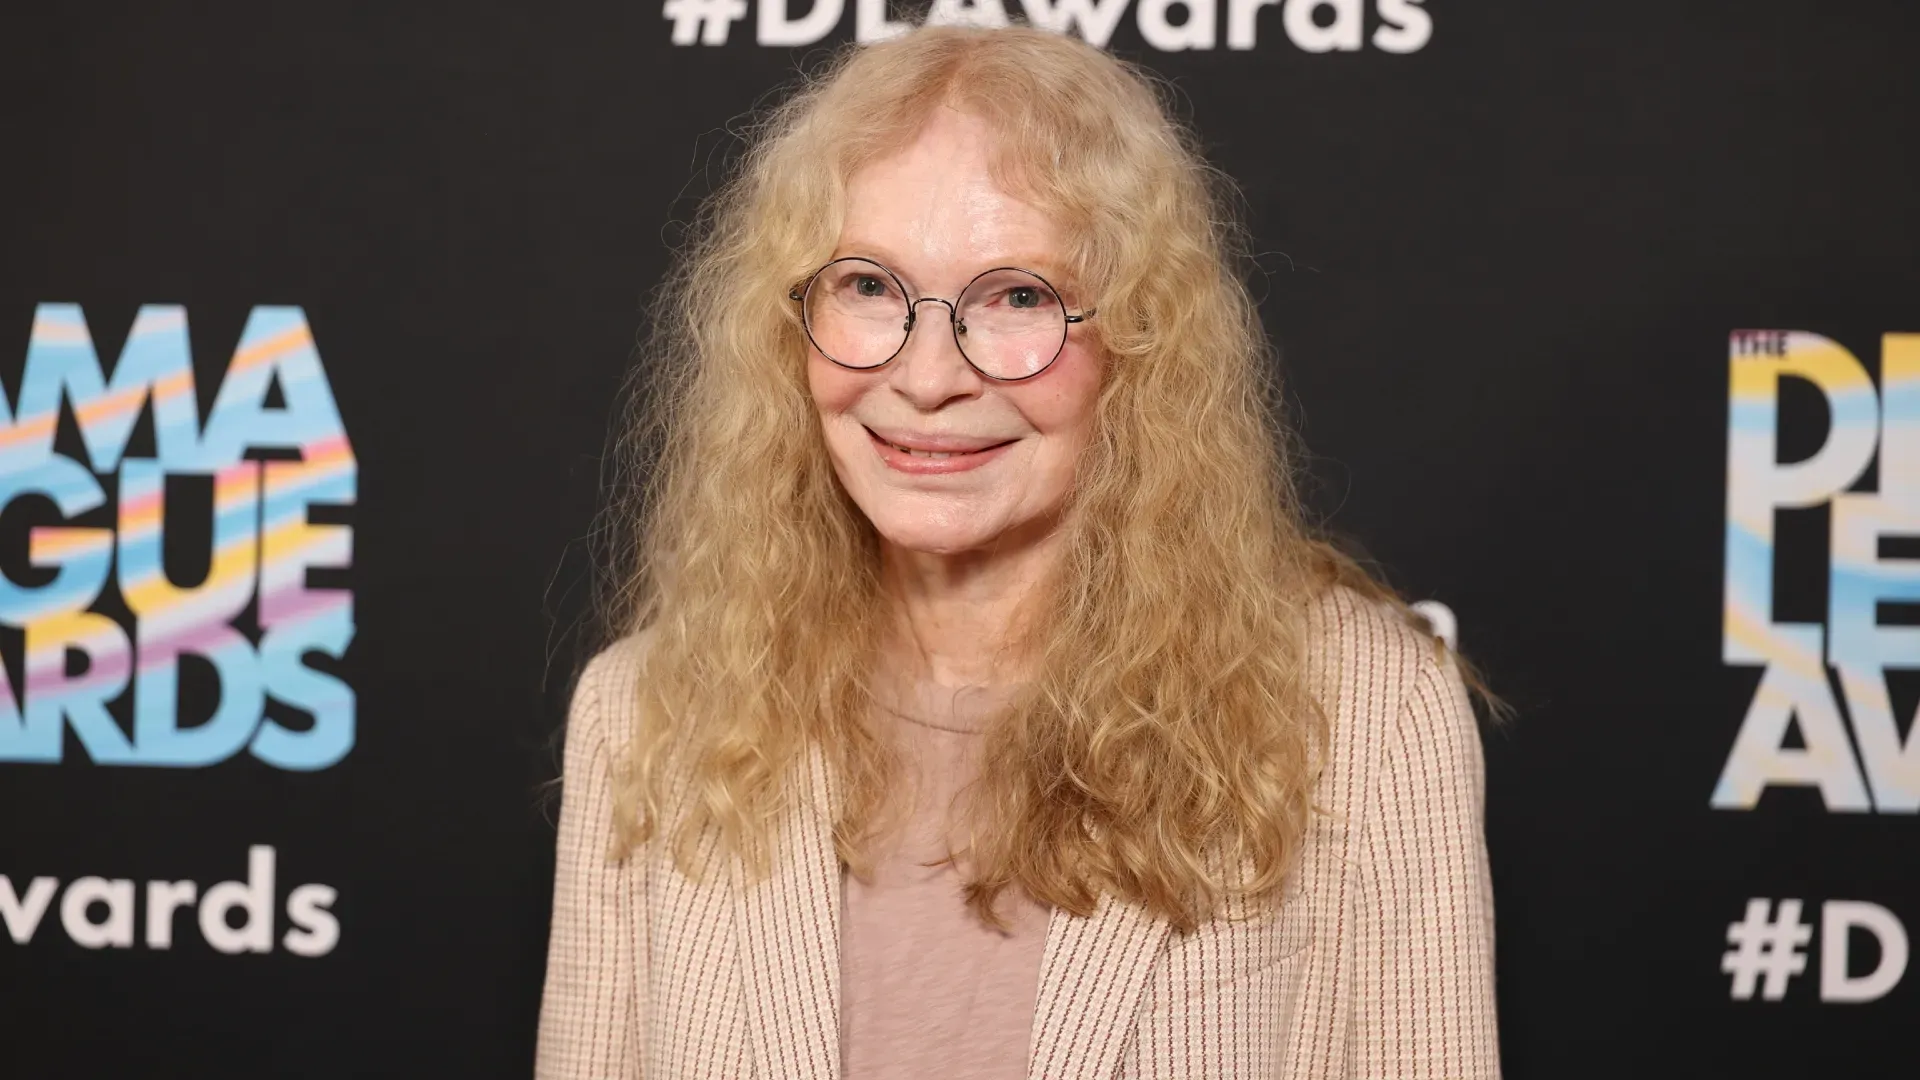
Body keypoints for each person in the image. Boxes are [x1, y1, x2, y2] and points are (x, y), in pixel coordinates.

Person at [537, 21, 1499, 1080]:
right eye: (867, 287)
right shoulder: (643, 717)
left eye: (1018, 297)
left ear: (1139, 344)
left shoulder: (1364, 716)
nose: (930, 377)